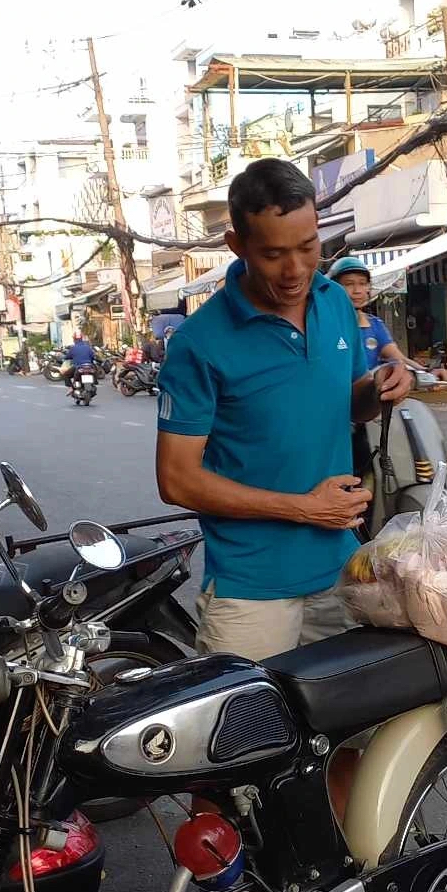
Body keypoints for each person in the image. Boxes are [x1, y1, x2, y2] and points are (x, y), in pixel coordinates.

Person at [156, 158, 414, 659]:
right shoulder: (199, 343)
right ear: (238, 246)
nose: (295, 270)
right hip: (250, 590)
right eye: (273, 254)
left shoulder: (336, 302)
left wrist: (379, 385)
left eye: (308, 247)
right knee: (250, 735)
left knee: (359, 728)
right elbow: (177, 480)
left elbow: (349, 405)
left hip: (342, 569)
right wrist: (304, 508)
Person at [326, 256, 408, 375]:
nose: (357, 290)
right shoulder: (324, 324)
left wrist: (428, 373)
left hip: (369, 390)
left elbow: (399, 359)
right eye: (349, 284)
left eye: (362, 283)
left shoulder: (374, 324)